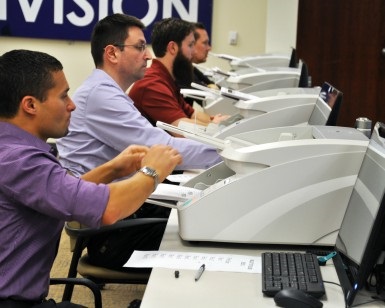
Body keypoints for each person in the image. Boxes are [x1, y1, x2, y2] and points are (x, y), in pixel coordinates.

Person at [0, 49, 182, 307]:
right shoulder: (20, 161)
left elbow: (65, 193)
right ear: (30, 105)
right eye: (63, 95)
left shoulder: (13, 150)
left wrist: (114, 169)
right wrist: (152, 172)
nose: (71, 104)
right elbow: (108, 209)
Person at [56, 14, 222, 271]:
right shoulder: (101, 95)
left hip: (120, 214)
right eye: (140, 47)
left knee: (201, 211)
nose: (148, 55)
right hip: (109, 233)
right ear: (112, 53)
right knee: (206, 224)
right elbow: (163, 149)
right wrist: (229, 154)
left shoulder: (107, 91)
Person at [129, 17, 229, 135]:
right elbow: (181, 129)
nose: (193, 52)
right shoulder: (151, 84)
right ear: (173, 48)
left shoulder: (167, 78)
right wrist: (214, 126)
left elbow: (191, 113)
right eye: (191, 45)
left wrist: (217, 121)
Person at [178, 22, 219, 107]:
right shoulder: (180, 71)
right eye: (205, 43)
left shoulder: (189, 67)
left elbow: (212, 85)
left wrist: (212, 87)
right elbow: (210, 98)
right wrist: (211, 87)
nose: (209, 48)